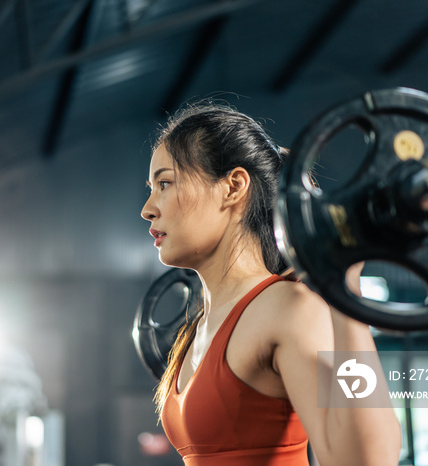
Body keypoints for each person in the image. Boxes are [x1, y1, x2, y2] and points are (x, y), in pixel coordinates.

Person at [140, 103, 401, 465]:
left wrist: (344, 291)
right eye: (152, 188)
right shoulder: (197, 328)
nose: (148, 208)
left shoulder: (288, 307)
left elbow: (366, 461)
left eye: (164, 183)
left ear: (232, 187)